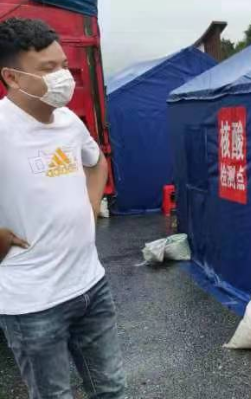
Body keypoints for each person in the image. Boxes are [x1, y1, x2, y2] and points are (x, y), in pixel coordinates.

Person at [0, 18, 125, 399]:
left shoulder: (69, 121)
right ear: (12, 77)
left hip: (91, 285)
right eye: (47, 69)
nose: (63, 77)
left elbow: (96, 163)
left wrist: (90, 205)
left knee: (112, 390)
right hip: (33, 303)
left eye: (63, 66)